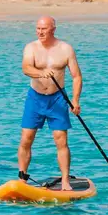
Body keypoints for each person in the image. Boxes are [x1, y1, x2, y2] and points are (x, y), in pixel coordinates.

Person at [17, 16, 82, 190]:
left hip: (57, 99)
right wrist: (40, 73)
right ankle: (22, 178)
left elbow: (76, 76)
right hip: (35, 98)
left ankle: (66, 181)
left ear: (53, 29)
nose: (40, 32)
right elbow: (26, 68)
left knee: (61, 140)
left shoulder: (65, 49)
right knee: (26, 138)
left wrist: (75, 100)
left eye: (44, 29)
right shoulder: (31, 47)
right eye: (38, 28)